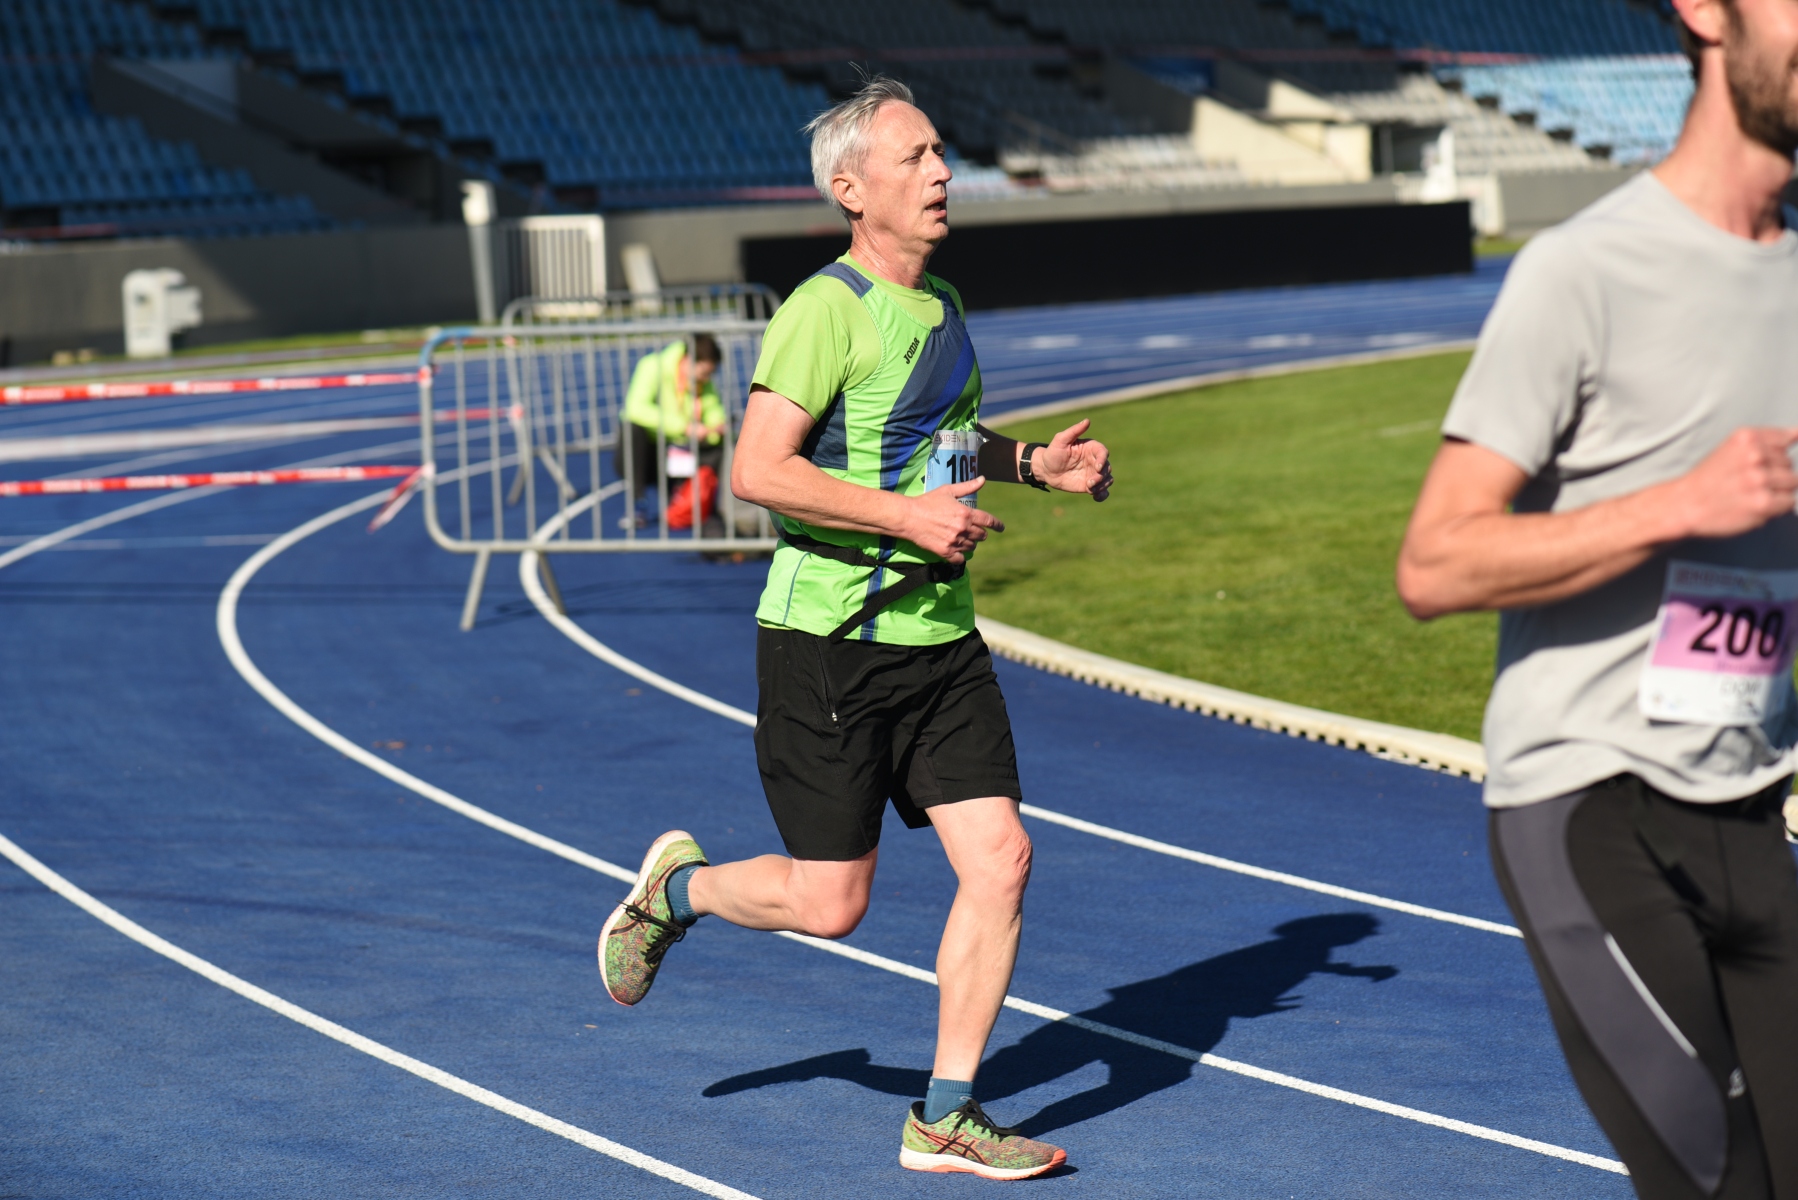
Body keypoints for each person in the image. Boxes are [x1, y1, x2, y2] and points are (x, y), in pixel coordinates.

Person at [596, 76, 1112, 1180]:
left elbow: (938, 440)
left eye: (940, 153)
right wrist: (908, 518)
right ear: (850, 187)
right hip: (829, 641)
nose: (941, 172)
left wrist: (1034, 464)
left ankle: (945, 1114)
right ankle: (675, 892)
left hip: (941, 642)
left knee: (1003, 858)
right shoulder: (822, 310)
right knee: (831, 904)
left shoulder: (944, 304)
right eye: (914, 156)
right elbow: (757, 469)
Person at [1396, 2, 1798, 1194]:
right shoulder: (1583, 269)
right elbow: (1434, 563)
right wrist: (1676, 505)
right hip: (1588, 805)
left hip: (1749, 803)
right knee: (1715, 1182)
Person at [616, 332, 725, 530]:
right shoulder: (651, 366)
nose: (707, 379)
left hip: (681, 451)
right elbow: (635, 409)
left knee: (723, 443)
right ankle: (638, 502)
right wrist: (684, 427)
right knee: (632, 429)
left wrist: (716, 426)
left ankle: (704, 503)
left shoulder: (702, 380)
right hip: (650, 453)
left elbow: (714, 410)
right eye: (704, 373)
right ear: (688, 360)